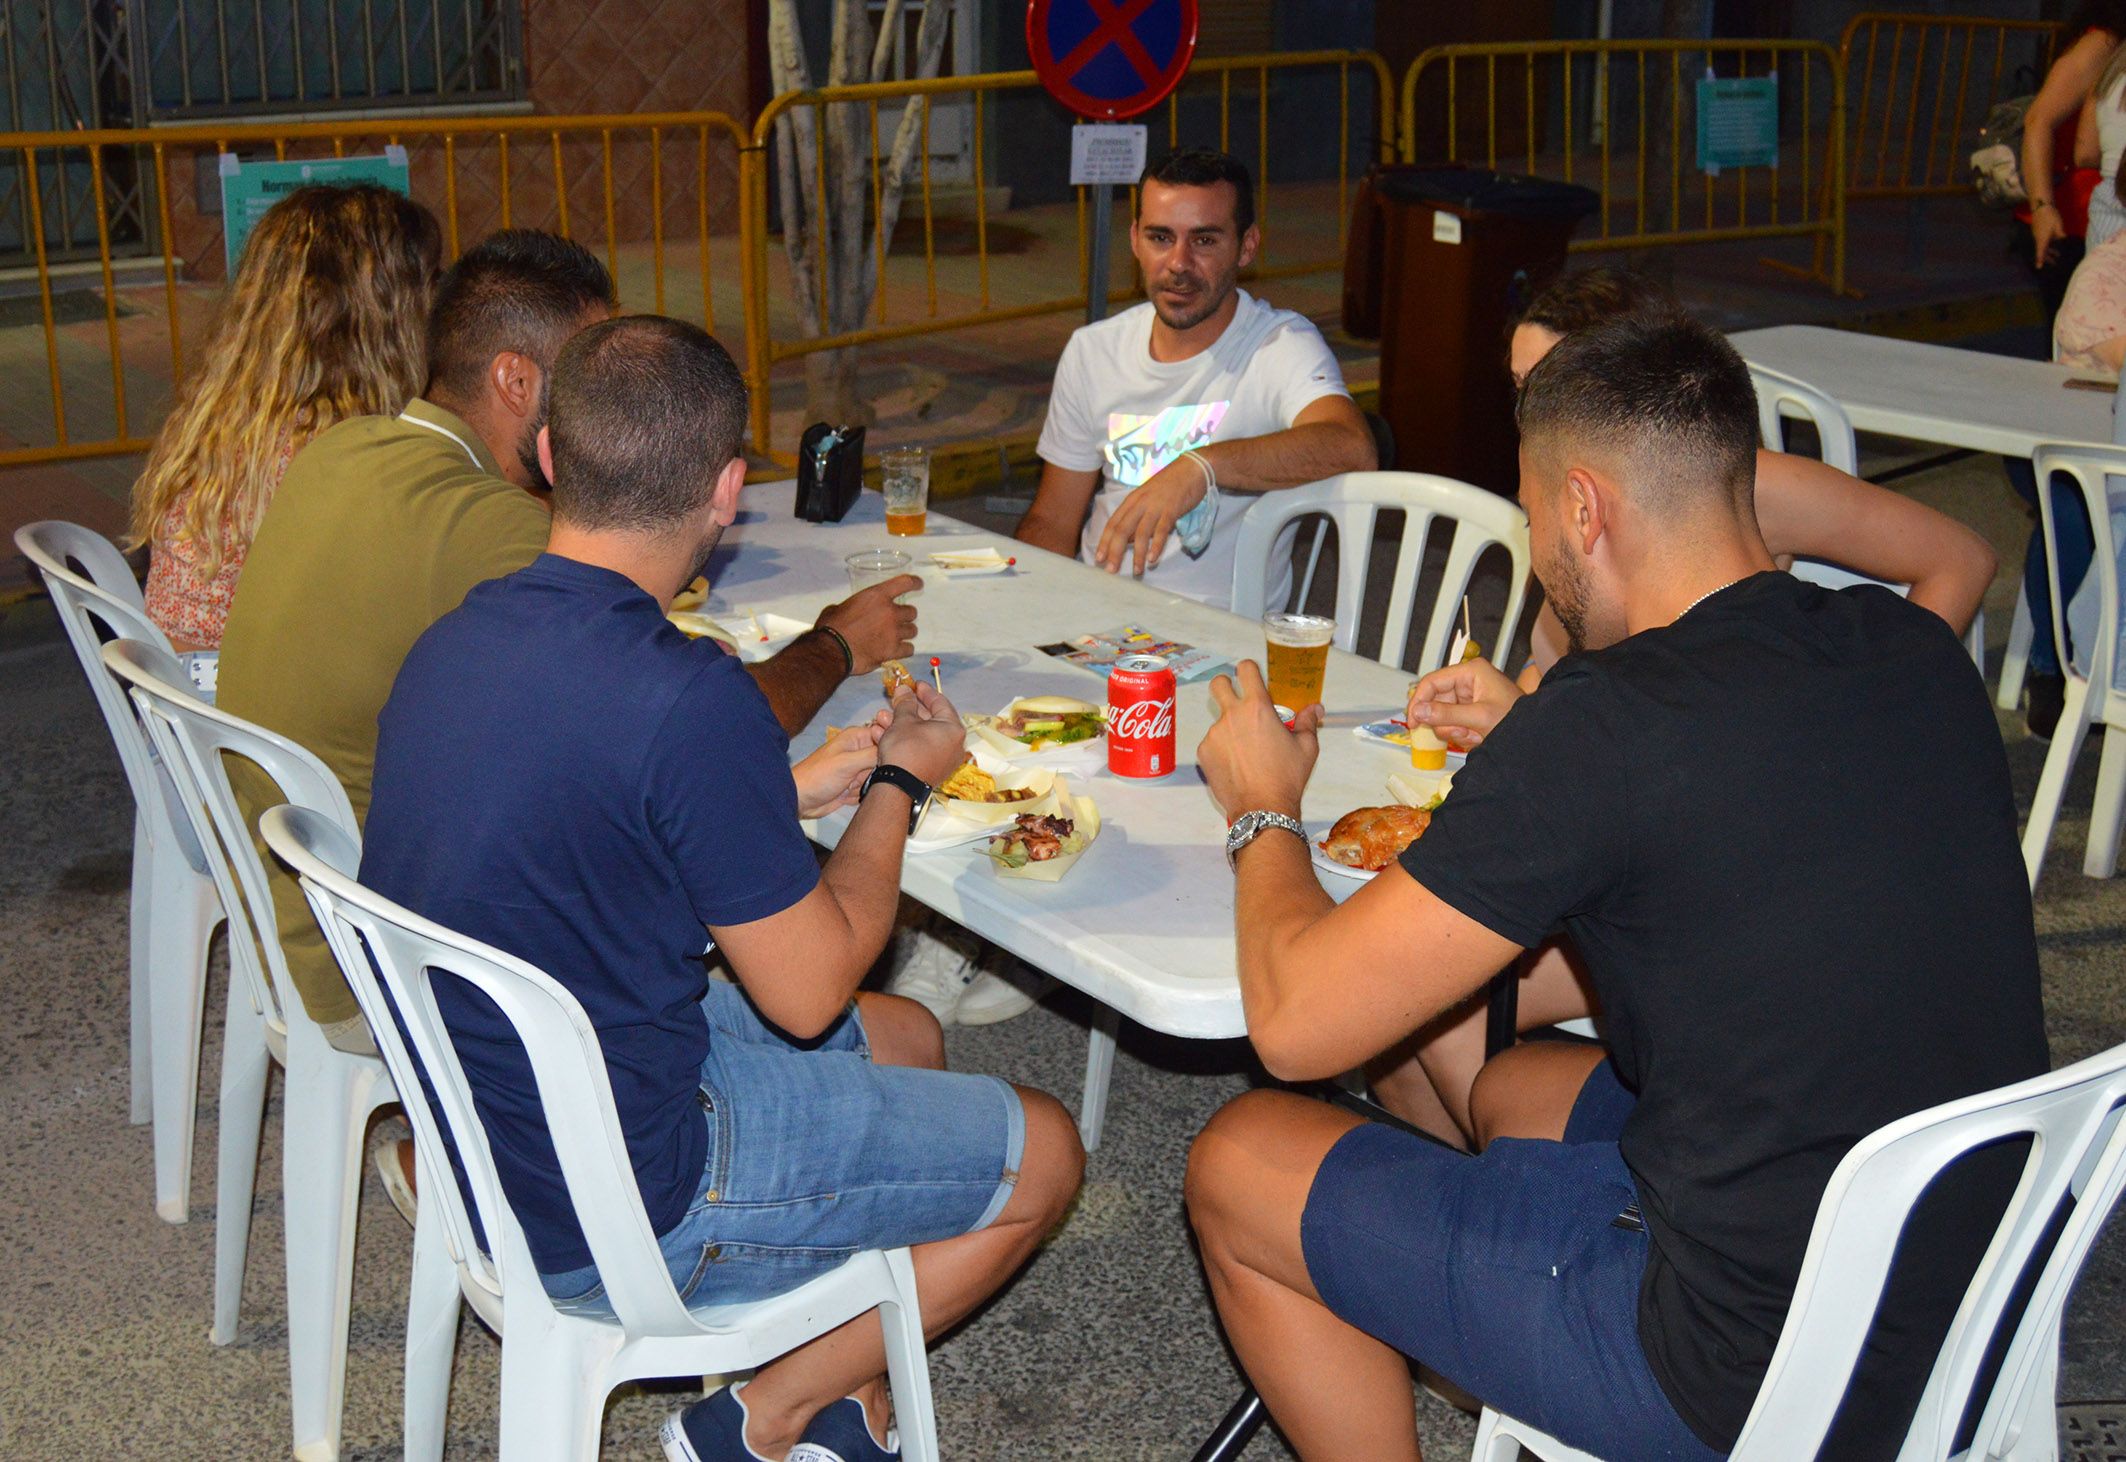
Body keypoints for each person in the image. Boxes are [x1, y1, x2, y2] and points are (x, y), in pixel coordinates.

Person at [1185, 311, 2048, 1458]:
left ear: (1583, 509)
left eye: (1535, 515)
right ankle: (1473, 1306)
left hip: (1740, 1369)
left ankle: (1515, 1321)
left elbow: (1295, 1025)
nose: (1540, 546)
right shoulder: (1914, 652)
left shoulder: (1604, 723)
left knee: (1238, 1158)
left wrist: (1259, 805)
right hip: (1960, 1287)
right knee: (1501, 1091)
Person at [360, 315, 1084, 1462]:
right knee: (1043, 1149)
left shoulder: (454, 639)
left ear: (548, 455)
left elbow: (581, 817)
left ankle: (849, 1377)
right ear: (728, 491)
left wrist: (763, 798)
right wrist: (898, 780)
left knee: (904, 1038)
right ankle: (762, 1414)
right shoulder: (684, 697)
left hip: (487, 1128)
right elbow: (808, 993)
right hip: (622, 1201)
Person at [220, 228, 919, 1062]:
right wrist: (836, 644)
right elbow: (700, 716)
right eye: (586, 361)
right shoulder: (493, 525)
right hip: (418, 977)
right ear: (519, 381)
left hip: (312, 904)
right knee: (780, 944)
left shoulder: (342, 449)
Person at [1367, 266, 1999, 1138]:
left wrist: (1878, 709)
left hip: (1732, 845)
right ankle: (1498, 1192)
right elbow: (1594, 710)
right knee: (1409, 1002)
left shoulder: (1725, 488)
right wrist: (1514, 705)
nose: (1530, 415)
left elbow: (1961, 556)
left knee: (1433, 995)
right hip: (1637, 813)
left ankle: (1532, 1201)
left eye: (1549, 387)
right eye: (1519, 390)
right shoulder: (1574, 517)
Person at [1014, 147, 1376, 609]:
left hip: (1218, 641)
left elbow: (1352, 447)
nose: (1179, 263)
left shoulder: (1278, 345)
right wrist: (1016, 605)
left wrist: (1201, 467)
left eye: (1204, 241)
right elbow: (1052, 522)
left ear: (1247, 246)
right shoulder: (1094, 350)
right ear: (1134, 240)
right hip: (1096, 618)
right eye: (1161, 237)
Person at [129, 184, 441, 688]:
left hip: (182, 722)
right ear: (384, 317)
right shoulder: (334, 449)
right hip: (253, 732)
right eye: (432, 282)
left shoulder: (227, 415)